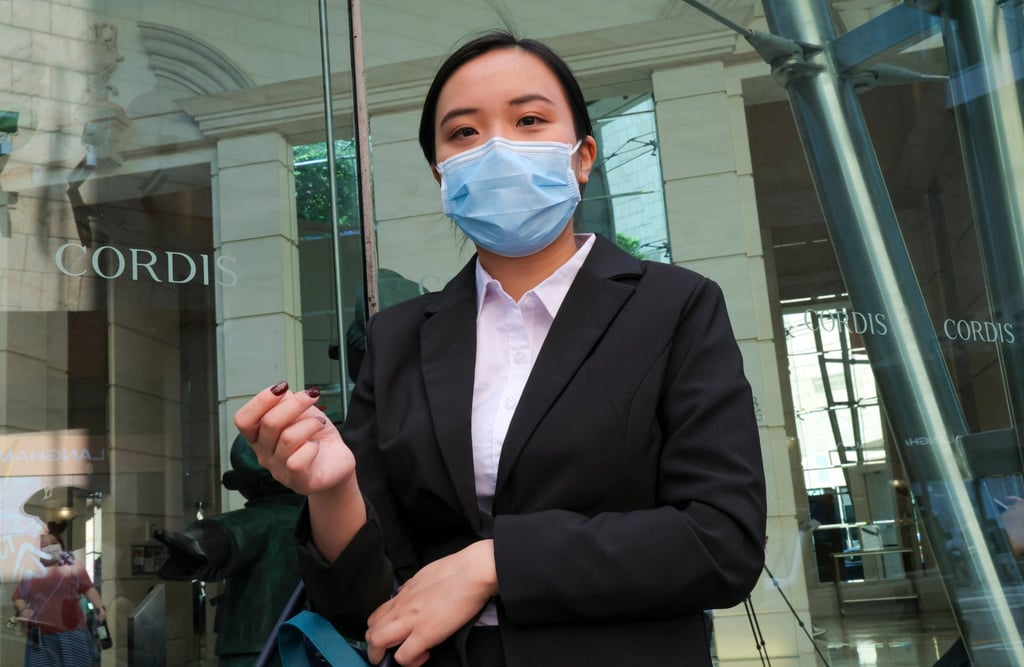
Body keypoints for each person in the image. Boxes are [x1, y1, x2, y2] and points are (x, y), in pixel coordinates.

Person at [235, 30, 766, 667]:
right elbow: (365, 602)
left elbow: (721, 540)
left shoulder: (675, 306)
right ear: (441, 174)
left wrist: (494, 563)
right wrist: (331, 489)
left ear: (582, 156)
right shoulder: (399, 336)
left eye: (530, 120)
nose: (496, 148)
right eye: (463, 133)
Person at [11, 532, 106, 667]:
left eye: (54, 543)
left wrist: (99, 607)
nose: (50, 547)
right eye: (44, 545)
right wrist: (24, 609)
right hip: (42, 633)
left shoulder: (73, 568)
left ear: (61, 545)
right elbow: (18, 596)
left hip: (72, 630)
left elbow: (88, 588)